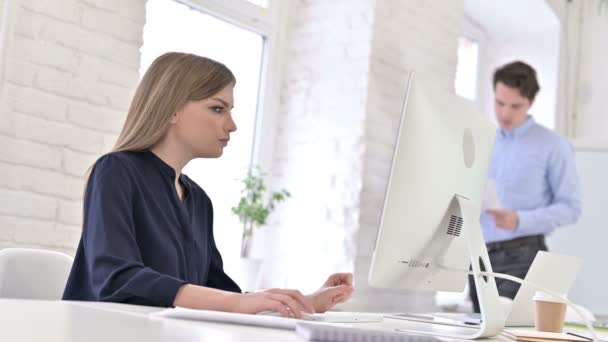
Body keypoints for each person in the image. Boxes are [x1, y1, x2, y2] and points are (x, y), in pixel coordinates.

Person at [63, 52, 354, 318]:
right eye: (218, 109)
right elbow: (117, 279)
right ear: (172, 111)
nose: (232, 125)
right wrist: (238, 303)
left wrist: (304, 302)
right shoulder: (117, 171)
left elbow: (220, 293)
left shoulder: (198, 200)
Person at [469, 61, 581, 313]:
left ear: (530, 102)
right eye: (499, 103)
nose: (505, 113)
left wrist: (520, 219)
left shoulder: (553, 145)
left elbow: (571, 207)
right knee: (480, 335)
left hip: (523, 256)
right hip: (478, 260)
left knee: (511, 333)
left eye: (515, 106)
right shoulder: (482, 141)